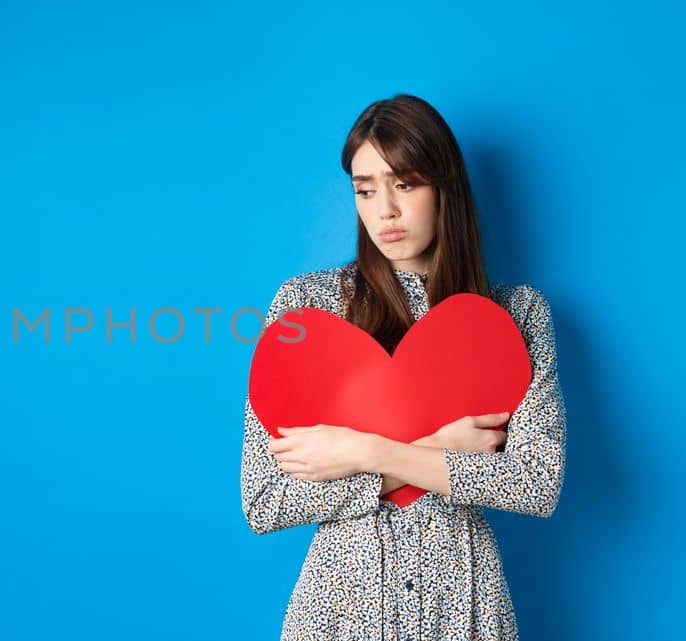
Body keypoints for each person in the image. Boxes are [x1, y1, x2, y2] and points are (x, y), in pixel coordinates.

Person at [239, 93, 567, 641]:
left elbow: (535, 484)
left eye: (406, 184)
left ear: (445, 189)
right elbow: (265, 500)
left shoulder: (518, 315)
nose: (384, 210)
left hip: (465, 608)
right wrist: (441, 449)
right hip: (341, 610)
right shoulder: (308, 310)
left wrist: (363, 451)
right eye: (365, 190)